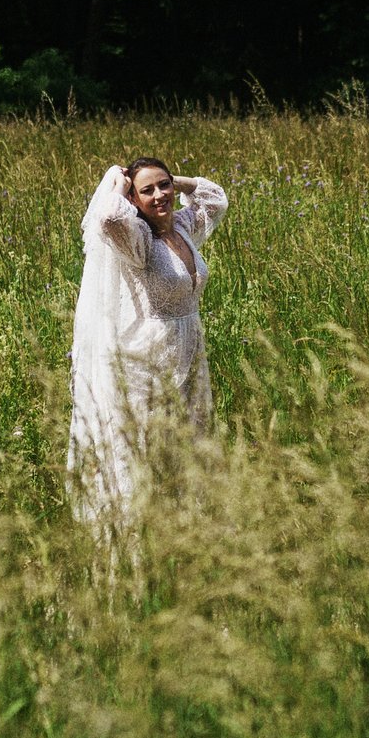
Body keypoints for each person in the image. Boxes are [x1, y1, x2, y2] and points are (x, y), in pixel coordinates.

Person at [68, 157, 228, 536]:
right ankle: (134, 533)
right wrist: (118, 185)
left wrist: (178, 180)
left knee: (187, 441)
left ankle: (182, 528)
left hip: (189, 350)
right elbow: (107, 218)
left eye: (164, 186)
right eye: (148, 191)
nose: (160, 196)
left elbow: (215, 199)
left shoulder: (184, 228)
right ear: (134, 200)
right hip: (148, 360)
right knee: (143, 445)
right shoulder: (139, 242)